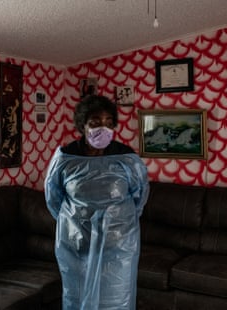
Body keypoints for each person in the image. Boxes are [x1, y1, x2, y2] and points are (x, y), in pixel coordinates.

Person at [44, 95, 149, 310]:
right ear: (82, 125)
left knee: (116, 296)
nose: (104, 128)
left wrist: (120, 222)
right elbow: (53, 197)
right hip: (77, 244)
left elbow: (139, 195)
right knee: (78, 296)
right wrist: (75, 222)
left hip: (119, 244)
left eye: (109, 123)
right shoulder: (65, 158)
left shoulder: (126, 158)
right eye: (95, 122)